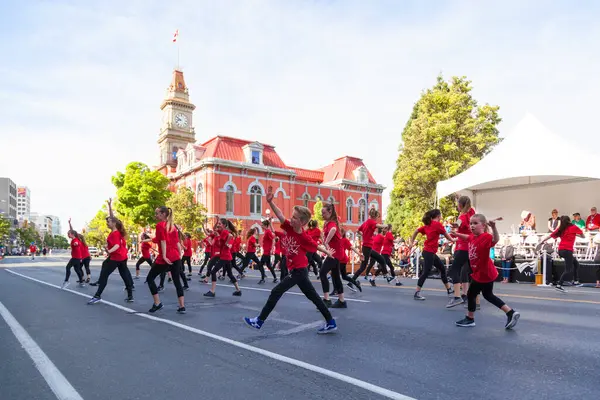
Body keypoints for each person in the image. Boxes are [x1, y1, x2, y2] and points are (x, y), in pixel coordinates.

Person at [244, 186, 337, 334]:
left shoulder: (304, 237)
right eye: (292, 216)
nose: (290, 218)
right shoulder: (289, 226)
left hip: (299, 271)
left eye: (294, 217)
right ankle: (331, 322)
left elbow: (315, 246)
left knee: (276, 291)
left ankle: (259, 321)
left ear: (302, 222)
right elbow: (280, 214)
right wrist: (270, 202)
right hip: (297, 270)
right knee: (313, 297)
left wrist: (328, 252)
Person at [453, 214, 520, 329]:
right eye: (471, 223)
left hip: (482, 273)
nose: (472, 226)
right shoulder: (473, 237)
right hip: (485, 272)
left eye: (475, 223)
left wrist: (494, 227)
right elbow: (466, 237)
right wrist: (456, 234)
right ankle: (510, 312)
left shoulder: (485, 237)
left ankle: (470, 318)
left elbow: (495, 239)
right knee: (488, 295)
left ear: (483, 226)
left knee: (471, 294)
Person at [88, 199, 134, 304]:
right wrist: (110, 206)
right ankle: (130, 295)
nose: (107, 223)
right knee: (124, 274)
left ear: (113, 223)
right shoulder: (117, 231)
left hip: (116, 257)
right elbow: (113, 218)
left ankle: (97, 295)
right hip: (122, 257)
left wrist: (108, 250)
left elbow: (117, 245)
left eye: (108, 222)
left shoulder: (115, 234)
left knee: (105, 275)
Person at [145, 206, 186, 313]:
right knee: (177, 281)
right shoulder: (172, 226)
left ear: (163, 214)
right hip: (175, 256)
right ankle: (182, 306)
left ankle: (157, 303)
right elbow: (176, 242)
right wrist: (180, 256)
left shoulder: (160, 225)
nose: (155, 215)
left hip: (165, 257)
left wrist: (163, 256)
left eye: (157, 213)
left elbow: (163, 241)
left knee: (150, 279)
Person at [409, 209, 455, 301]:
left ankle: (449, 289)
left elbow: (416, 231)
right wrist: (454, 240)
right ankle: (417, 292)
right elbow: (447, 236)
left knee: (442, 268)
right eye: (441, 215)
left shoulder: (428, 225)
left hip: (429, 252)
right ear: (438, 216)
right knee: (426, 271)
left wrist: (411, 242)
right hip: (429, 252)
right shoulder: (437, 225)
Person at [539, 215, 585, 293]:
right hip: (567, 250)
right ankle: (559, 285)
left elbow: (550, 235)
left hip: (560, 250)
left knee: (576, 263)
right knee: (568, 269)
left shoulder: (560, 229)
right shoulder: (573, 227)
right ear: (569, 221)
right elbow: (583, 236)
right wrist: (575, 234)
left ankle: (576, 280)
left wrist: (542, 241)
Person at [318, 202, 347, 308]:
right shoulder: (329, 222)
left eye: (324, 213)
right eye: (322, 213)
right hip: (336, 253)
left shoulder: (332, 223)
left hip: (334, 254)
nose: (322, 215)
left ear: (330, 212)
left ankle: (327, 299)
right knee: (335, 276)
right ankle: (342, 301)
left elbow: (333, 230)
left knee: (322, 273)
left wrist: (326, 242)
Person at [204, 218, 242, 297]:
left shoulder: (225, 232)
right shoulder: (220, 232)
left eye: (220, 224)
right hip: (225, 255)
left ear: (224, 225)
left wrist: (227, 241)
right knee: (230, 274)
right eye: (218, 223)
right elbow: (214, 232)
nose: (218, 225)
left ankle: (212, 291)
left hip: (225, 256)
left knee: (213, 272)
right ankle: (238, 290)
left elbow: (229, 238)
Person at [351, 208, 387, 283]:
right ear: (375, 216)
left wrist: (364, 235)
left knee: (381, 259)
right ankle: (351, 281)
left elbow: (357, 230)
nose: (377, 219)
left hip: (368, 247)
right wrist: (385, 225)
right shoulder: (371, 222)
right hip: (367, 247)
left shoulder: (365, 222)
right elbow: (378, 225)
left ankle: (386, 276)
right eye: (377, 217)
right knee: (363, 266)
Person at [338, 227, 363, 292]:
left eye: (339, 231)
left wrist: (359, 254)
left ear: (343, 233)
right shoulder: (338, 239)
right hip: (340, 259)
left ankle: (337, 290)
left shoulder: (344, 240)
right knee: (344, 277)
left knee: (335, 275)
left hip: (342, 260)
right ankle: (356, 283)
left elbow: (352, 247)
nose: (337, 232)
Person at [257, 219, 278, 284]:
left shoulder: (268, 231)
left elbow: (273, 240)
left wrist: (271, 249)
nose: (261, 226)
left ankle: (263, 278)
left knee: (260, 265)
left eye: (262, 225)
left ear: (266, 225)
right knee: (268, 265)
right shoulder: (266, 231)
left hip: (267, 252)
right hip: (266, 251)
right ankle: (275, 278)